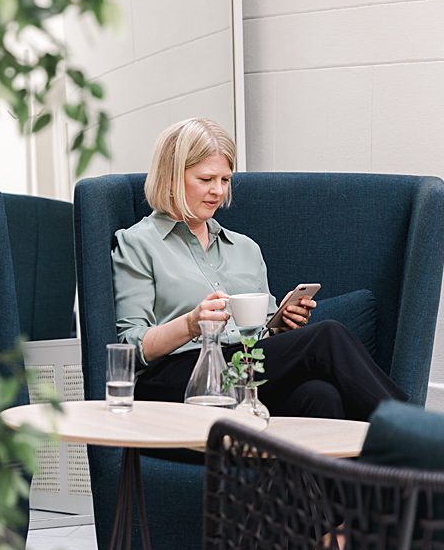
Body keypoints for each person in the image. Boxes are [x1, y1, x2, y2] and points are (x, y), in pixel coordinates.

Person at [109, 116, 402, 421]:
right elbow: (130, 344)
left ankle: (382, 445)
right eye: (206, 179)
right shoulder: (138, 243)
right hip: (176, 376)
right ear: (170, 177)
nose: (218, 191)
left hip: (244, 366)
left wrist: (280, 325)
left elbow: (263, 338)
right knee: (327, 335)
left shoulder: (245, 248)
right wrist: (191, 324)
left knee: (319, 395)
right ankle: (412, 432)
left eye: (225, 180)